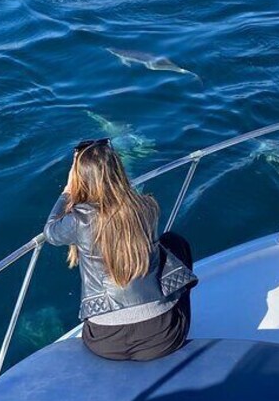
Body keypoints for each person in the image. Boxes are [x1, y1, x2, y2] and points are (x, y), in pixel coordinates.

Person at [44, 138, 197, 361]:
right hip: (164, 338)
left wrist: (68, 192)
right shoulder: (147, 206)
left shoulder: (78, 220)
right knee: (174, 243)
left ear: (80, 178)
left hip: (105, 343)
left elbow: (50, 232)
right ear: (119, 170)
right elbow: (119, 205)